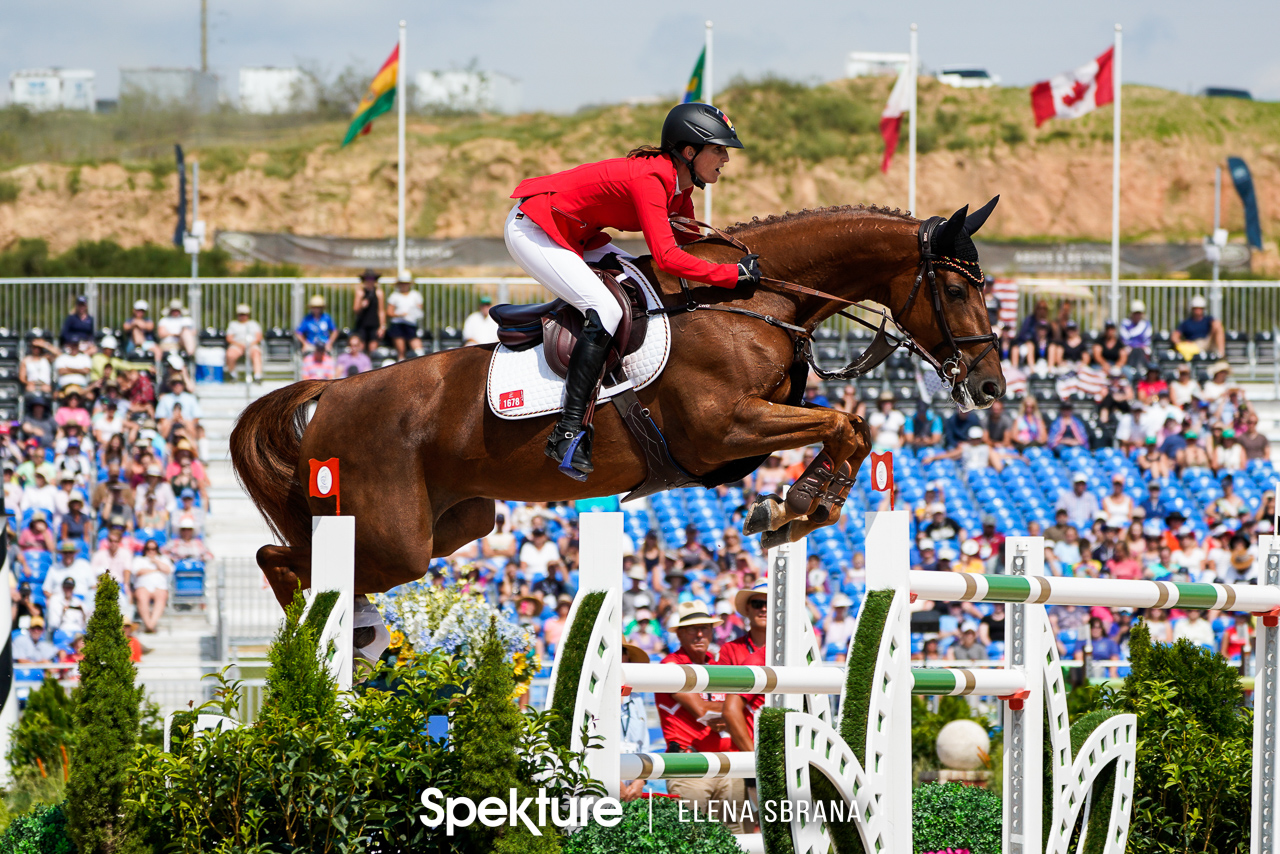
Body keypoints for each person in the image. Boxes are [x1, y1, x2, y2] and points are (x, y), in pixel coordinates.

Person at [506, 102, 753, 479]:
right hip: (535, 228)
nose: (725, 159)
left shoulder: (678, 188)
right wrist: (731, 276)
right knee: (606, 310)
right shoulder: (651, 179)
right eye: (718, 149)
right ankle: (568, 430)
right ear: (689, 152)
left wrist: (741, 261)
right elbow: (669, 256)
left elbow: (688, 248)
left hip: (579, 235)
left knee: (644, 279)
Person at [655, 601, 744, 831]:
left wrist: (733, 709)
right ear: (680, 634)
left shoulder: (716, 665)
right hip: (689, 765)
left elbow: (725, 710)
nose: (700, 633)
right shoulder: (671, 665)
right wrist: (734, 708)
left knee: (736, 839)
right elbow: (703, 711)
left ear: (712, 631)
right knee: (692, 838)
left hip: (727, 764)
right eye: (692, 628)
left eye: (705, 627)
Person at [720, 581, 770, 753]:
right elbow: (724, 704)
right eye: (757, 604)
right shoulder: (729, 649)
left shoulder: (792, 651)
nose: (763, 609)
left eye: (769, 604)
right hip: (740, 751)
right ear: (747, 609)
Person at [386, 274, 425, 360]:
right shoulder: (394, 296)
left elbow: (419, 309)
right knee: (401, 351)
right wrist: (400, 314)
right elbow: (389, 312)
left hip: (411, 324)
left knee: (418, 350)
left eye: (406, 283)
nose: (404, 285)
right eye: (402, 283)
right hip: (398, 325)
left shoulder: (415, 295)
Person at [225, 304, 264, 381]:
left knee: (256, 353)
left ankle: (258, 376)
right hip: (237, 345)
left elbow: (259, 337)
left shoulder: (254, 324)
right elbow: (229, 338)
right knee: (230, 354)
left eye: (244, 314)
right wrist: (240, 345)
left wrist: (249, 344)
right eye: (241, 314)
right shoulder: (233, 324)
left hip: (252, 344)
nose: (243, 316)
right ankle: (232, 375)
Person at [352, 269, 386, 349]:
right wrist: (362, 305)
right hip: (362, 324)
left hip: (374, 324)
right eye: (368, 279)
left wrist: (382, 326)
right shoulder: (360, 292)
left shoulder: (379, 292)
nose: (370, 281)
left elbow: (381, 311)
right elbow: (356, 310)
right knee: (361, 345)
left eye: (372, 279)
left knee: (373, 346)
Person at [18, 336, 56, 402]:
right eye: (34, 347)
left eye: (38, 347)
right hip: (32, 385)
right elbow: (22, 377)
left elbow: (58, 354)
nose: (36, 349)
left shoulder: (46, 358)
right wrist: (28, 383)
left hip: (44, 385)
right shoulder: (26, 360)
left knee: (46, 390)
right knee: (30, 389)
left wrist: (44, 344)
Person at [1119, 299, 1152, 370]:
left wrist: (1140, 346)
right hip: (1129, 348)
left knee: (1146, 352)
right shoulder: (1125, 323)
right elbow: (1124, 339)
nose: (1137, 315)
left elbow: (1147, 340)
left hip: (1142, 348)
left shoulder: (1146, 324)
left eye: (1139, 313)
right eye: (1135, 313)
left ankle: (1143, 369)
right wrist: (1134, 345)